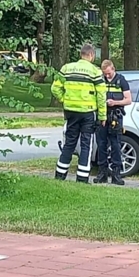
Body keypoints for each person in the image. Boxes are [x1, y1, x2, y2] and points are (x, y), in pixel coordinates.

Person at [51, 43, 107, 183]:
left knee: (69, 142)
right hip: (88, 112)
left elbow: (55, 89)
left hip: (71, 111)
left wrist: (65, 100)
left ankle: (60, 175)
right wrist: (102, 116)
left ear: (81, 54)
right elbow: (101, 95)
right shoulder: (95, 71)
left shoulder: (66, 68)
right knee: (86, 143)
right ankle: (82, 178)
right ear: (91, 55)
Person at [94, 60, 131, 185]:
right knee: (101, 144)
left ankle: (116, 174)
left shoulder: (121, 80)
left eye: (109, 73)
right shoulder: (101, 80)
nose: (107, 76)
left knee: (115, 144)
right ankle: (102, 173)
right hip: (102, 115)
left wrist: (115, 103)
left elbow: (128, 100)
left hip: (115, 115)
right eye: (105, 74)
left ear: (113, 69)